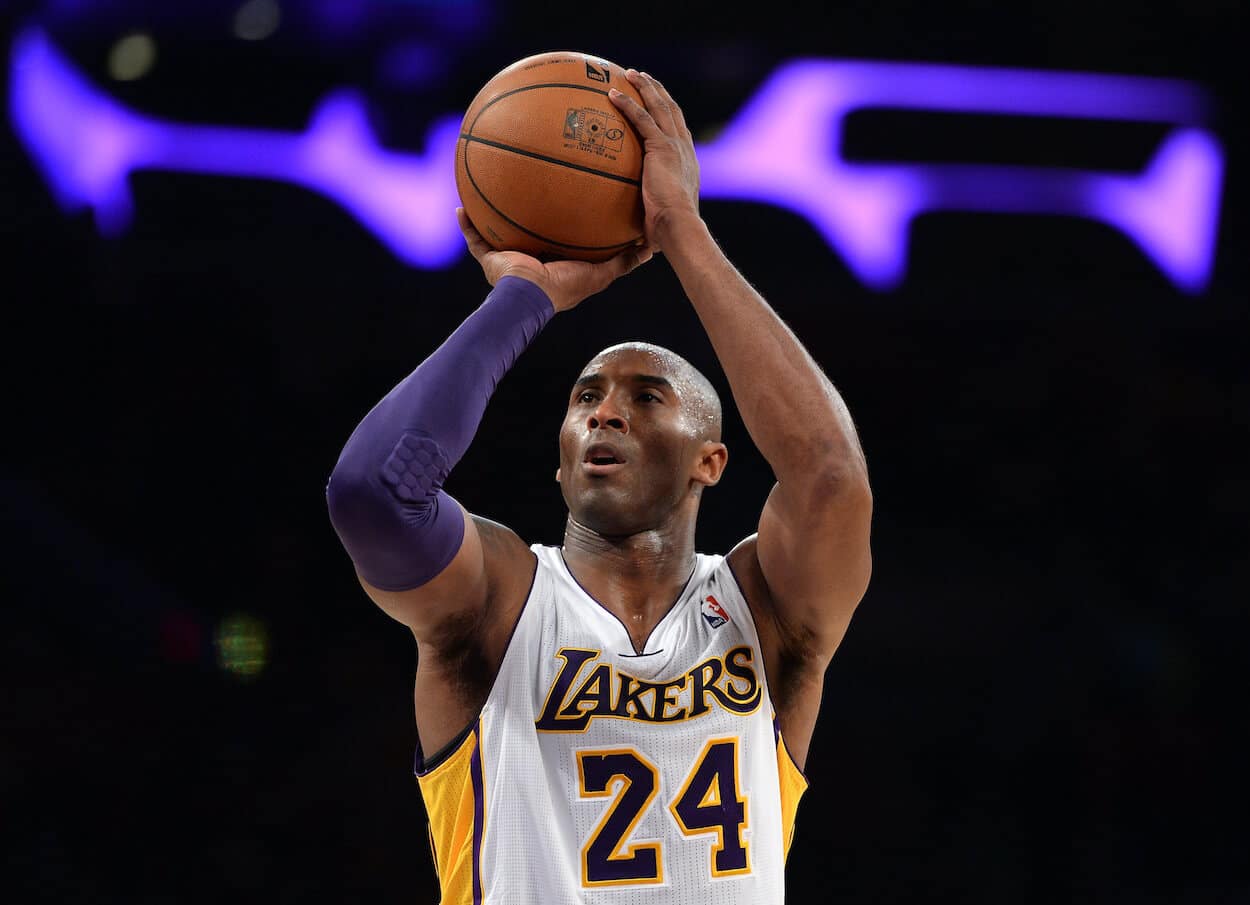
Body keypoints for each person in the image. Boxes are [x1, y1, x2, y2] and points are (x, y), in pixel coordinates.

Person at [326, 68, 872, 905]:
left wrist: (680, 230)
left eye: (644, 398)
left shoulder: (768, 609)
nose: (604, 415)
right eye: (585, 399)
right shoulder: (503, 601)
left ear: (710, 460)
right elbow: (374, 492)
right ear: (559, 457)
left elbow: (831, 477)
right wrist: (526, 296)